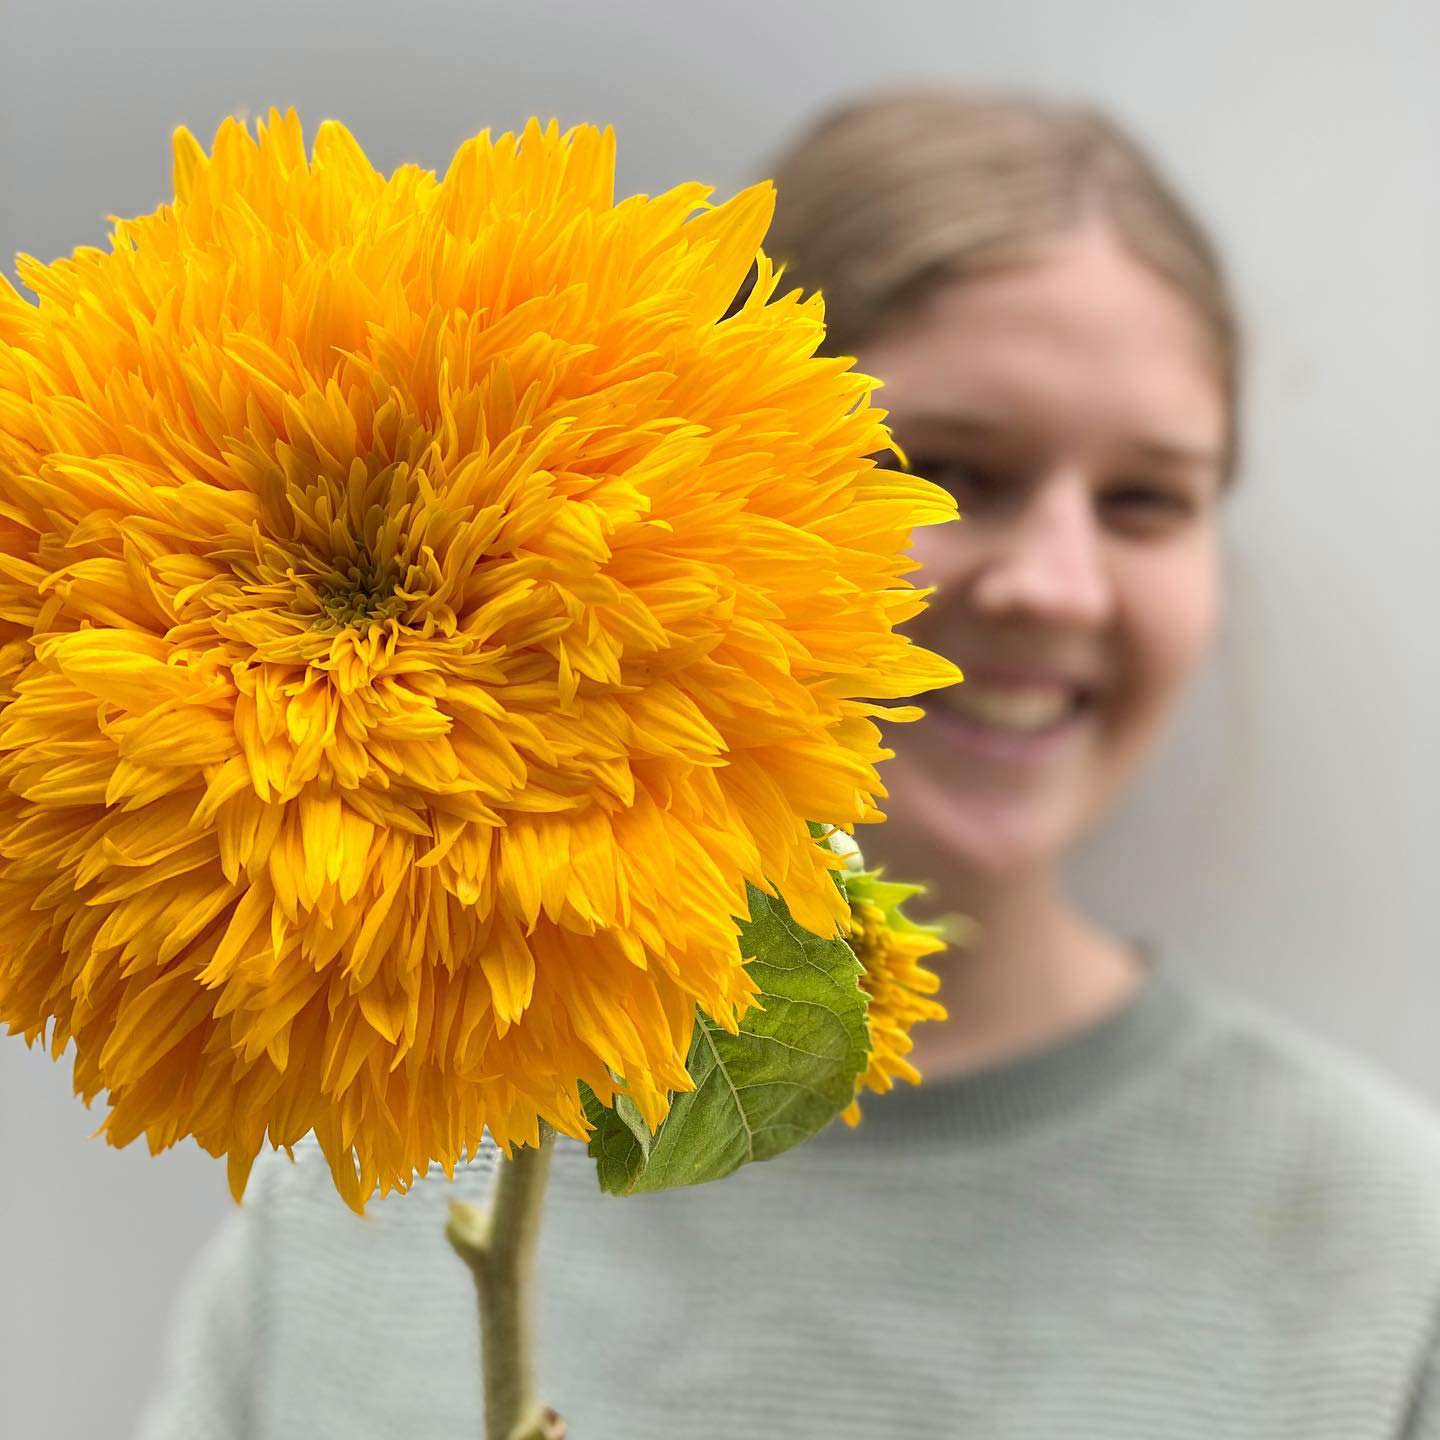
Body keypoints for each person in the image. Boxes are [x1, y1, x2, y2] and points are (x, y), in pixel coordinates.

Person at [136, 91, 1440, 1439]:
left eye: (1147, 500)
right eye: (945, 469)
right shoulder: (372, 1167)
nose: (1058, 585)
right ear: (722, 482)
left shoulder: (1384, 1235)